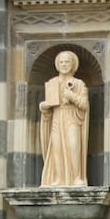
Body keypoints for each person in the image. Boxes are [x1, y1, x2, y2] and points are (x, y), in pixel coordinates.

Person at [39, 49, 90, 187]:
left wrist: (72, 96)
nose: (64, 64)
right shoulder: (52, 83)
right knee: (57, 148)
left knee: (73, 145)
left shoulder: (79, 84)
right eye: (61, 62)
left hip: (72, 118)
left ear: (72, 64)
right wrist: (44, 107)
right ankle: (58, 178)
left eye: (67, 62)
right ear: (57, 65)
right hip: (56, 117)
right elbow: (47, 107)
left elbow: (85, 105)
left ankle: (76, 177)